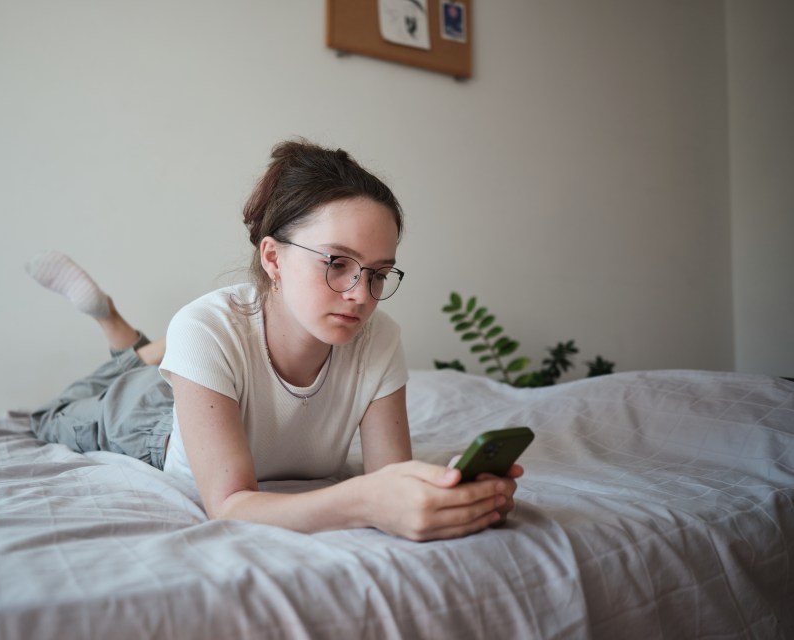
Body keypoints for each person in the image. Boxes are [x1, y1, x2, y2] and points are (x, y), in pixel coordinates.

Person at [26, 139, 522, 541]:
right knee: (53, 415)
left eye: (378, 274)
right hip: (156, 426)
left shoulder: (380, 339)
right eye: (336, 263)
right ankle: (120, 331)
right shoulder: (207, 327)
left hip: (211, 372)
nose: (360, 295)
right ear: (273, 258)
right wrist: (368, 502)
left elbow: (389, 474)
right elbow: (230, 505)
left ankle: (154, 351)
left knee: (191, 341)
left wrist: (449, 494)